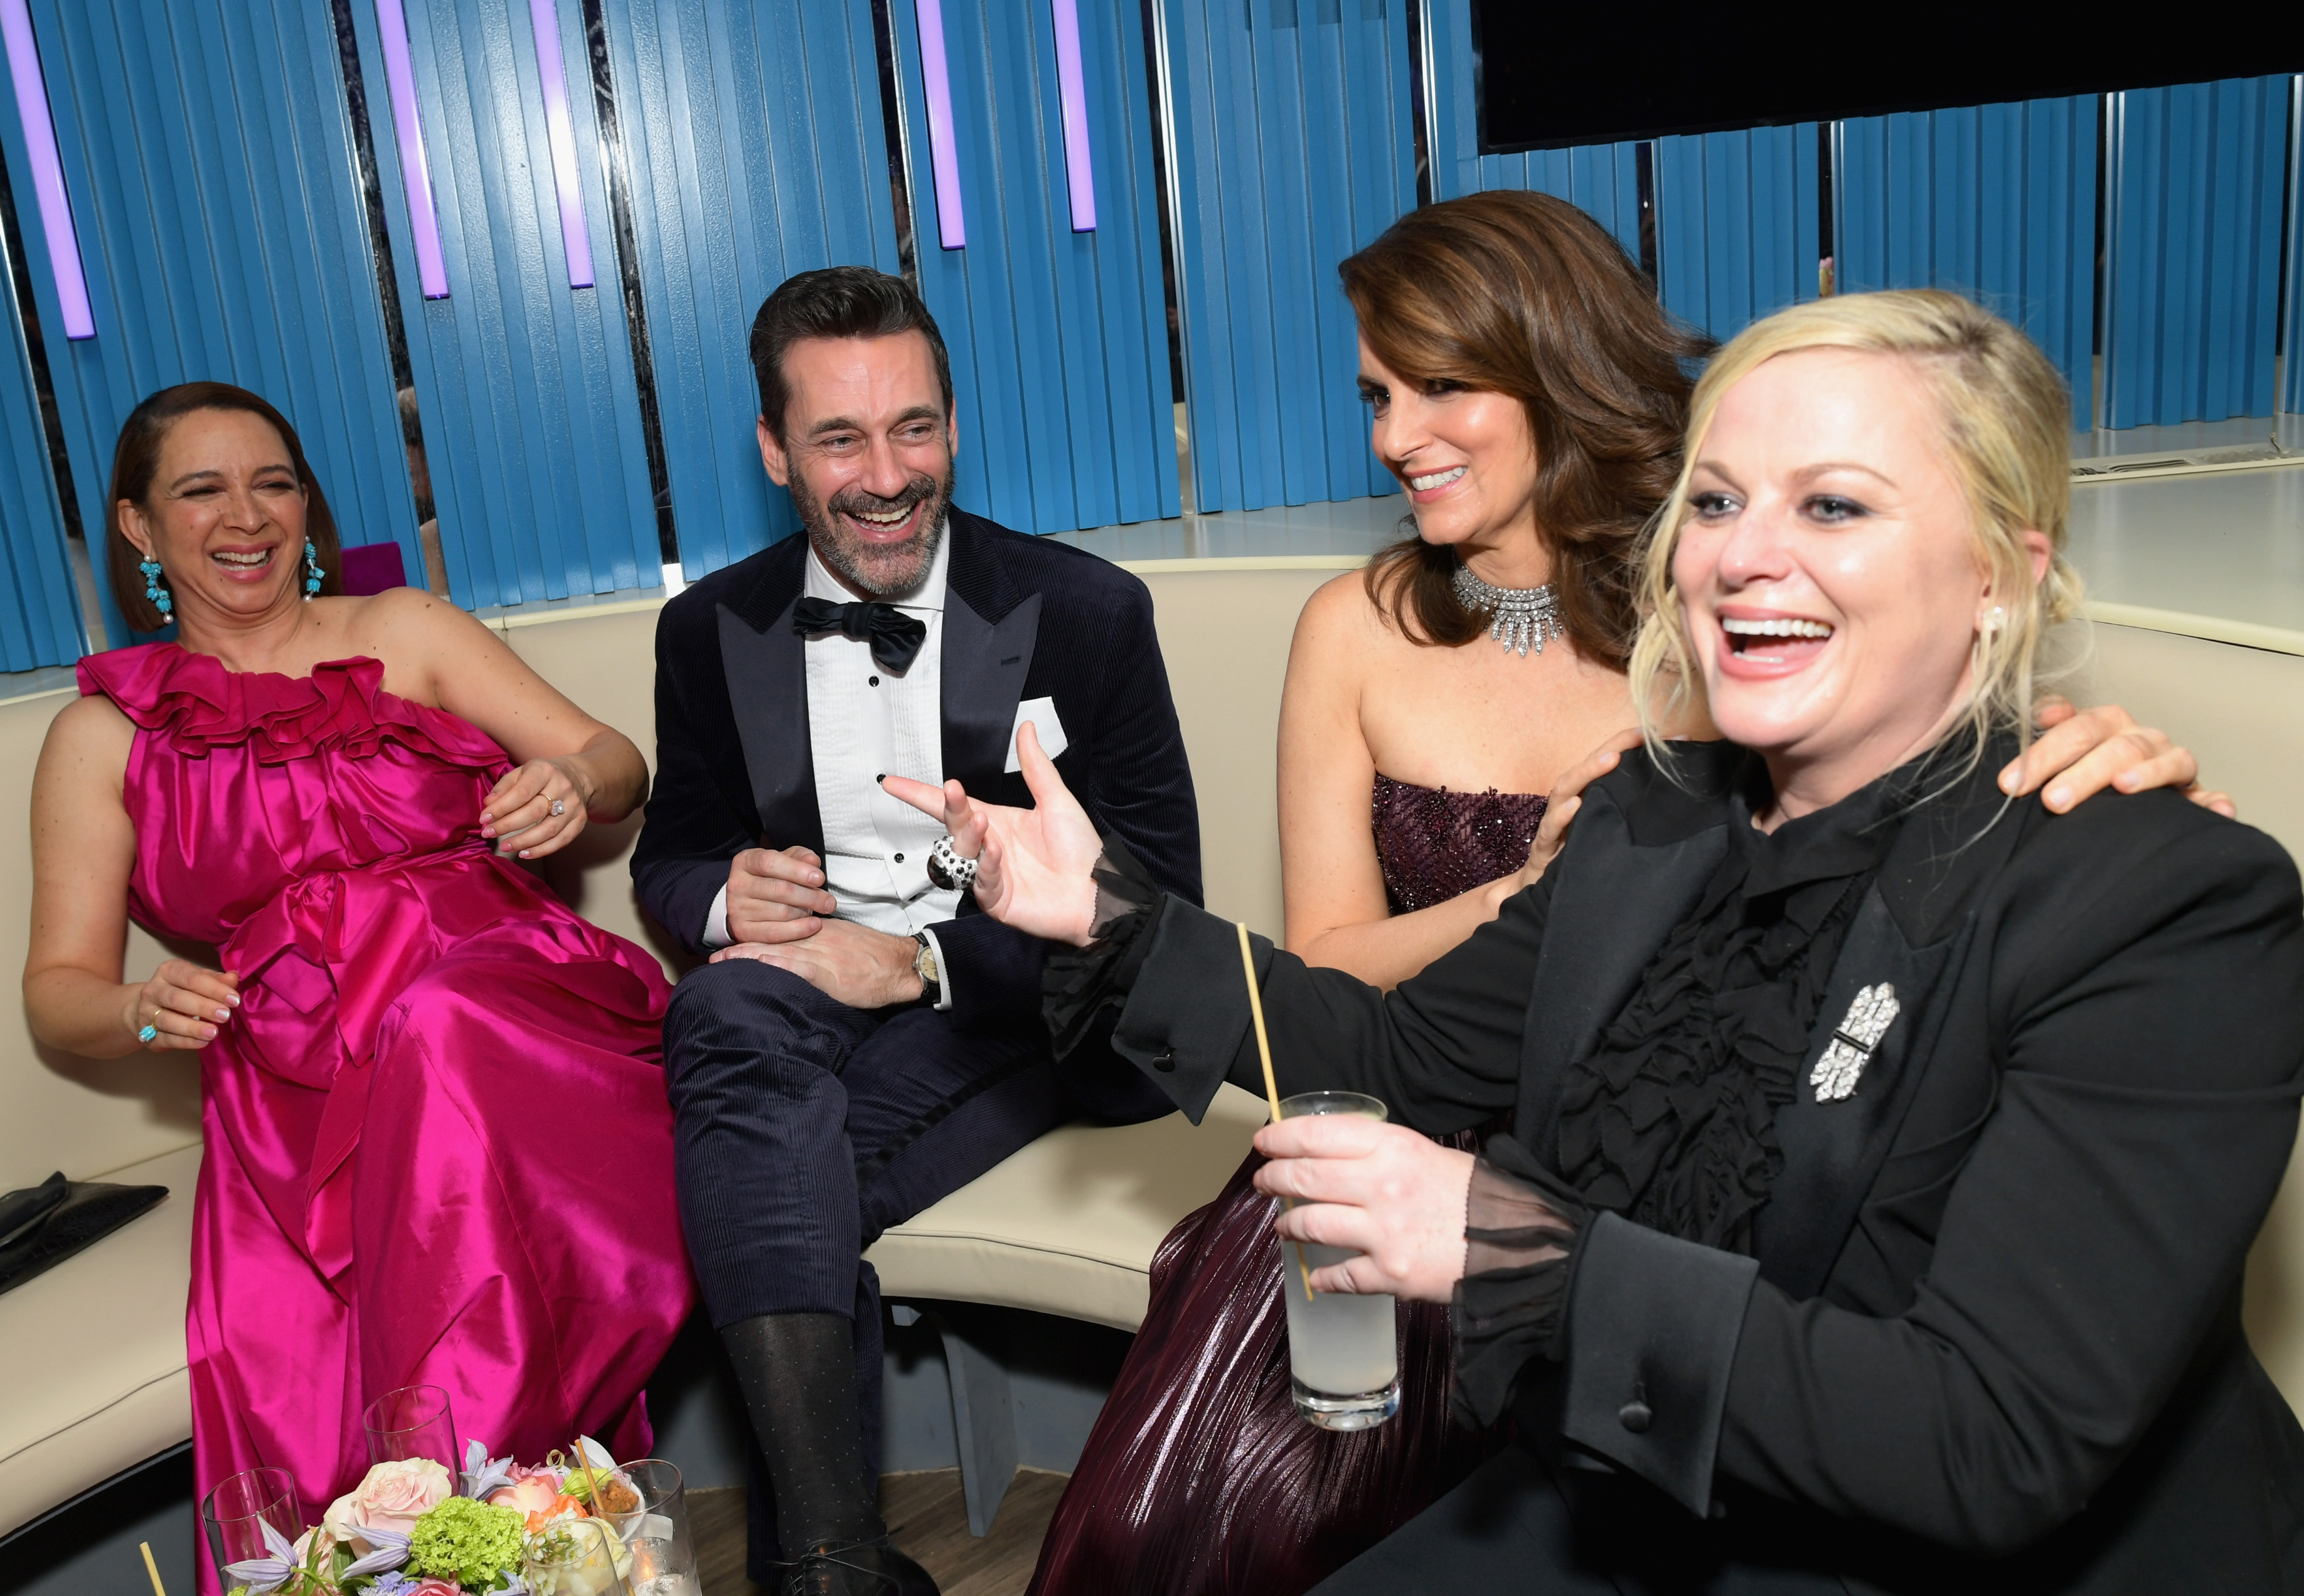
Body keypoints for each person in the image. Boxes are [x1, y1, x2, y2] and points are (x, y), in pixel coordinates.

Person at [897, 289, 2304, 1592]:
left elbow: (1991, 1442)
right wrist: (1108, 916)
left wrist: (1513, 1250)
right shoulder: (1652, 820)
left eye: (1833, 505)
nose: (1746, 556)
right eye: (1718, 501)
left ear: (2002, 571)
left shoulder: (2165, 902)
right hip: (1644, 1490)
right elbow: (1397, 1054)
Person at [23, 382, 692, 1595]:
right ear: (137, 525)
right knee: (308, 1394)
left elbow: (614, 758)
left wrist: (574, 786)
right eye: (202, 490)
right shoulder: (104, 737)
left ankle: (483, 1533)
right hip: (299, 1092)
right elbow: (57, 994)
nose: (248, 517)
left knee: (438, 1027)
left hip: (510, 1011)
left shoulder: (408, 629)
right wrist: (140, 1008)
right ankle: (490, 1551)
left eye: (273, 484)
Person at [628, 266, 1198, 1596]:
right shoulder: (709, 628)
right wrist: (727, 898)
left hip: (1024, 1006)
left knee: (767, 1171)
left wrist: (920, 961)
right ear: (776, 452)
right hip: (801, 1003)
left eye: (915, 429)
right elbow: (672, 856)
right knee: (722, 1006)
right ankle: (842, 1563)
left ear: (954, 424)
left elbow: (1156, 890)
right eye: (839, 439)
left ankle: (816, 1565)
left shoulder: (1088, 613)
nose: (887, 478)